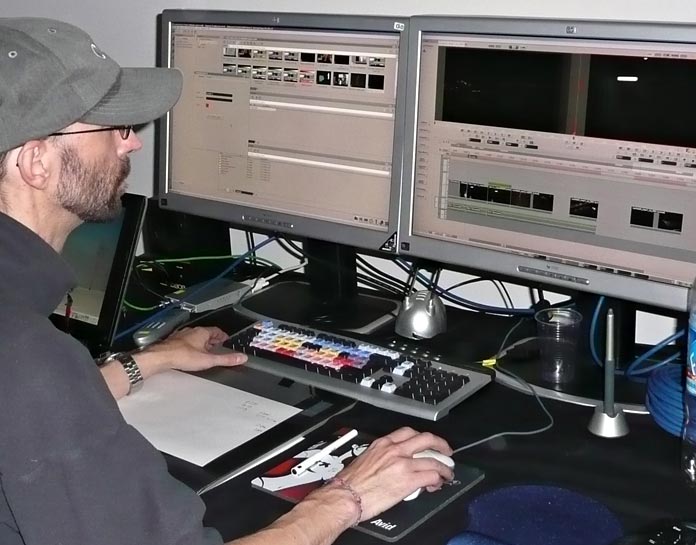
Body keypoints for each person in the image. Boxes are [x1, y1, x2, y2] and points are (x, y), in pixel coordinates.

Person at [0, 17, 454, 545]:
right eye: (112, 127)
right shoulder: (28, 356)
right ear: (36, 162)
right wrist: (344, 497)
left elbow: (27, 418)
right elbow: (34, 394)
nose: (132, 145)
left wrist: (148, 361)